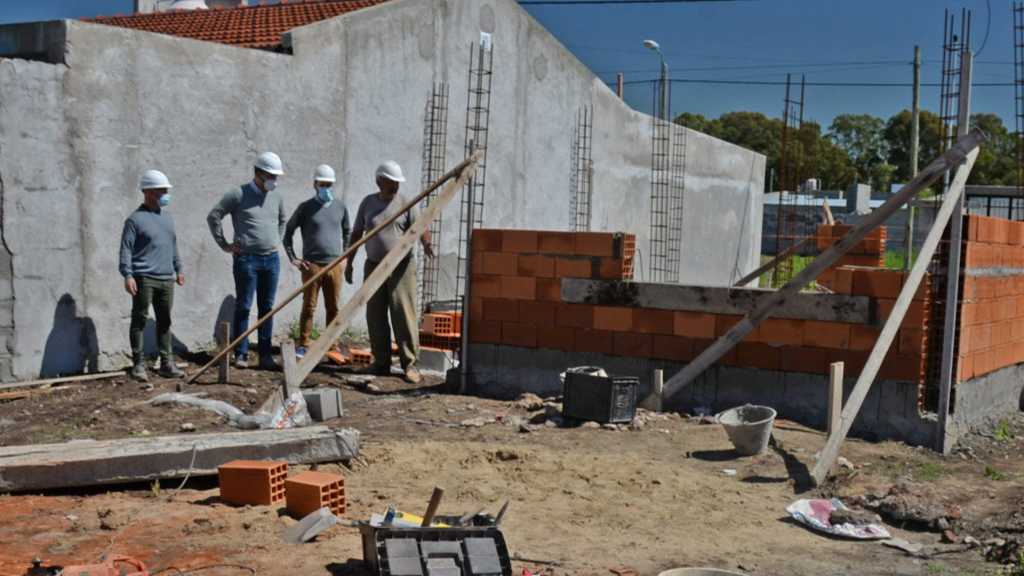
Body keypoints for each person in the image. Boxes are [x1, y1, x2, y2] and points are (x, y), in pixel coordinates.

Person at [345, 160, 433, 383]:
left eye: (397, 183)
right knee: (375, 314)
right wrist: (350, 261)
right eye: (391, 182)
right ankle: (381, 362)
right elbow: (357, 234)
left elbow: (421, 227)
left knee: (402, 312)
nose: (395, 186)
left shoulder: (406, 203)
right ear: (379, 181)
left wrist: (427, 245)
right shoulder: (367, 203)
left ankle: (410, 364)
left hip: (401, 267)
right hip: (374, 265)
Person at [207, 151, 287, 370]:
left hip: (271, 260)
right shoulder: (238, 194)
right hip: (247, 261)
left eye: (276, 177)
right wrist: (225, 244)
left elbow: (283, 220)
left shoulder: (276, 197)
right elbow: (214, 216)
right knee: (244, 306)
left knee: (267, 308)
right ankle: (241, 354)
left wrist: (276, 240)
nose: (274, 181)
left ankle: (265, 355)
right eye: (271, 176)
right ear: (259, 174)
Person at [119, 169, 186, 382]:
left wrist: (179, 268)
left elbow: (172, 245)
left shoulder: (167, 218)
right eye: (162, 191)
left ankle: (167, 362)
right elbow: (126, 249)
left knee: (164, 320)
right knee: (139, 318)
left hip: (167, 278)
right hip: (144, 278)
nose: (166, 194)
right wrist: (128, 275)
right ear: (150, 193)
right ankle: (137, 363)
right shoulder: (135, 220)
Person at [284, 164, 351, 358]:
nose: (326, 189)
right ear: (315, 185)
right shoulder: (306, 208)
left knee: (333, 307)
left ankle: (332, 344)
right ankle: (304, 344)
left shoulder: (340, 207)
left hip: (334, 265)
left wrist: (345, 256)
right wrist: (293, 258)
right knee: (309, 306)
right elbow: (288, 232)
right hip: (312, 265)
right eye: (323, 184)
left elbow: (348, 231)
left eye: (329, 185)